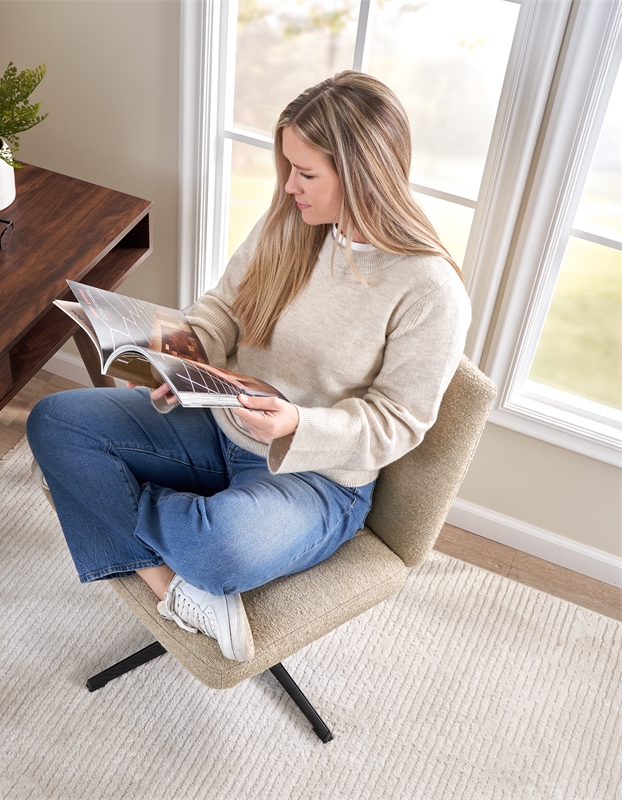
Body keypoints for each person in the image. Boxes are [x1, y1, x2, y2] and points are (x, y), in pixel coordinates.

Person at [27, 71, 471, 663]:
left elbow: (400, 422)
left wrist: (295, 426)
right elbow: (222, 311)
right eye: (288, 167)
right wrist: (180, 357)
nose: (289, 187)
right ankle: (175, 589)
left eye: (306, 173)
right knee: (55, 421)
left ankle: (129, 511)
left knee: (221, 550)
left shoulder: (428, 290)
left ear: (364, 175)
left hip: (315, 478)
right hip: (215, 424)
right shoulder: (291, 227)